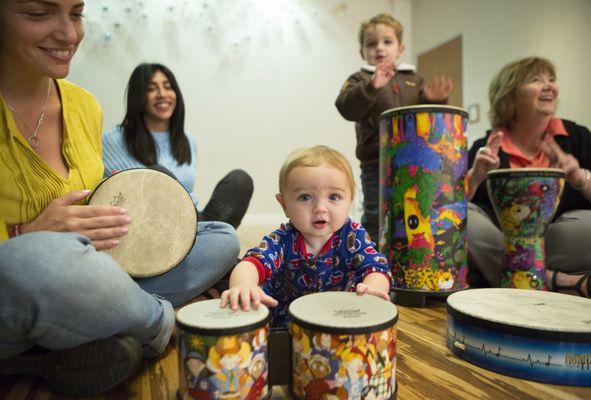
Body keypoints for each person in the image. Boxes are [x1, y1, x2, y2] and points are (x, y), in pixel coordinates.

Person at [0, 1, 239, 397]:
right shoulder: (120, 134)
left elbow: (94, 200)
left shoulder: (83, 105)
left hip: (94, 270)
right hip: (28, 279)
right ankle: (161, 324)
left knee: (221, 236)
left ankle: (85, 330)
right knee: (39, 261)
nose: (69, 34)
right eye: (39, 14)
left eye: (76, 13)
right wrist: (28, 232)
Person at [467, 56, 591, 299]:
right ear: (510, 96)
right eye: (536, 80)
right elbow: (448, 205)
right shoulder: (485, 146)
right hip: (500, 240)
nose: (549, 85)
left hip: (556, 240)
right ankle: (555, 280)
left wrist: (579, 177)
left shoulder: (578, 137)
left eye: (551, 79)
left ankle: (519, 274)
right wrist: (475, 176)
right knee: (464, 216)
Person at [220, 145, 392, 327]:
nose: (320, 208)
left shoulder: (353, 236)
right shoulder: (282, 240)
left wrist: (372, 289)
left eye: (333, 197)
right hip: (286, 322)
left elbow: (375, 267)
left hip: (342, 317)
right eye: (305, 197)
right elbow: (251, 263)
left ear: (350, 200)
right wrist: (244, 285)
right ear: (284, 205)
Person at [335, 13, 453, 244]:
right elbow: (346, 108)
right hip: (376, 163)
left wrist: (435, 101)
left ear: (400, 48)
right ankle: (370, 259)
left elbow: (427, 122)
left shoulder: (414, 80)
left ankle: (404, 254)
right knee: (376, 212)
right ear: (362, 52)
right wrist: (371, 86)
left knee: (411, 208)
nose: (380, 48)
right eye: (371, 44)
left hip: (412, 162)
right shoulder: (359, 79)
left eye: (387, 42)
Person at [102, 63, 253, 230]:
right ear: (138, 96)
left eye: (168, 87)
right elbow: (132, 190)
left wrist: (190, 212)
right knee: (157, 174)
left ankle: (204, 235)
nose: (162, 94)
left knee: (240, 181)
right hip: (146, 228)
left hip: (191, 219)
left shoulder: (188, 140)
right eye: (152, 89)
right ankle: (207, 237)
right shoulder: (113, 139)